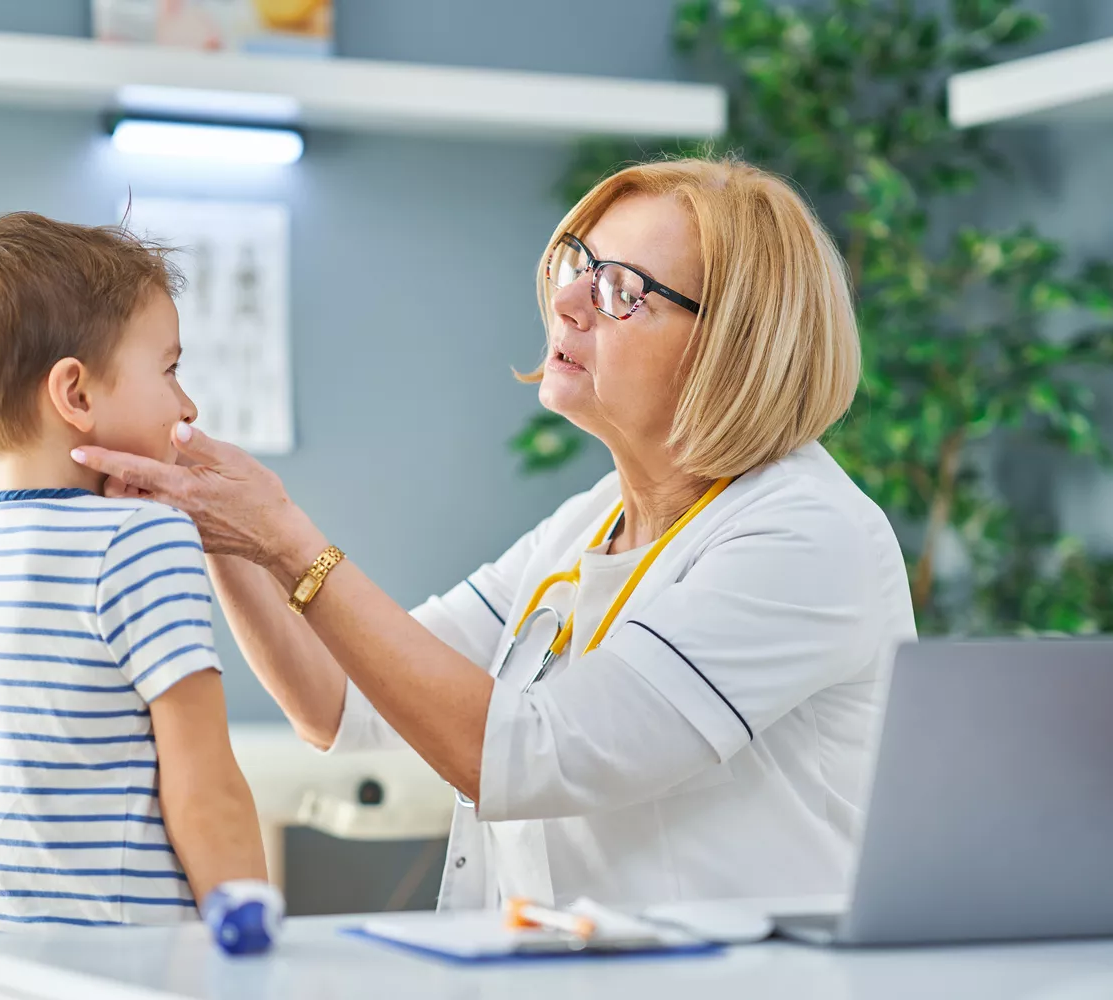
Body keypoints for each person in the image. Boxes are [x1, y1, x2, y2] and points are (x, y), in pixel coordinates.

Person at [73, 158, 918, 909]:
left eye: (622, 290)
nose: (567, 300)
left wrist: (285, 538)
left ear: (737, 348)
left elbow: (536, 757)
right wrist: (224, 525)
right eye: (575, 264)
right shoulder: (594, 522)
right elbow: (341, 703)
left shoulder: (808, 538)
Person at [0, 213, 265, 929]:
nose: (188, 406)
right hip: (130, 959)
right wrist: (253, 935)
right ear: (77, 395)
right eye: (170, 369)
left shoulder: (0, 550)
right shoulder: (145, 538)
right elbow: (204, 784)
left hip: (12, 946)